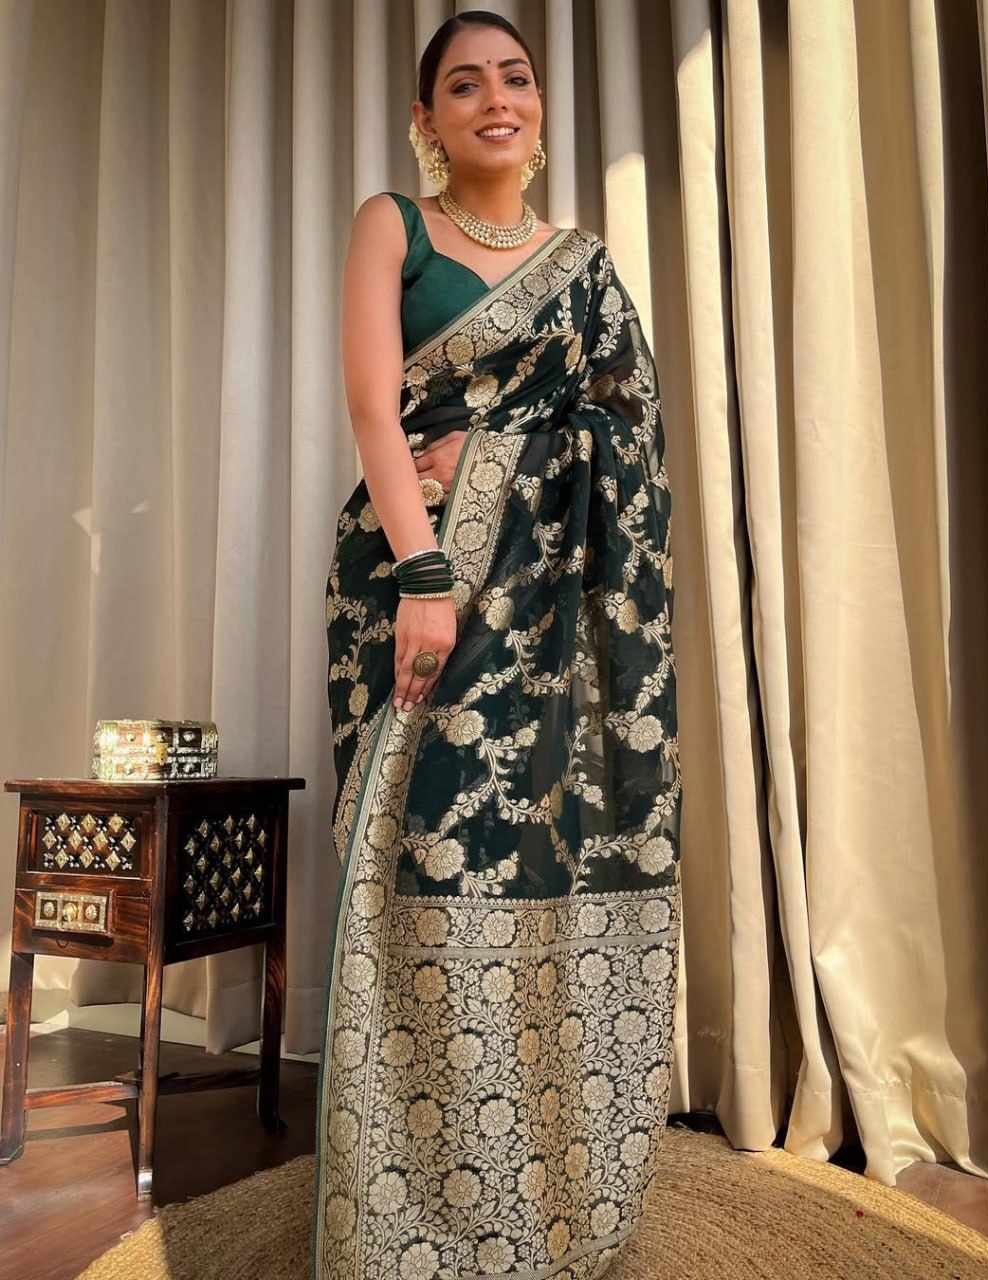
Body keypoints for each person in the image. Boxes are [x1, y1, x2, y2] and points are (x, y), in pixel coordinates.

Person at [309, 11, 682, 1279]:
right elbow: (374, 407)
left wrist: (506, 449)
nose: (494, 99)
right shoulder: (393, 226)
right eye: (463, 85)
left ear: (538, 105)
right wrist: (425, 572)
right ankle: (414, 1194)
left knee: (534, 856)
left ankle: (541, 1178)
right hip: (411, 579)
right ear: (429, 120)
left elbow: (630, 433)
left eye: (513, 78)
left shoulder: (580, 266)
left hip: (552, 615)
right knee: (425, 858)